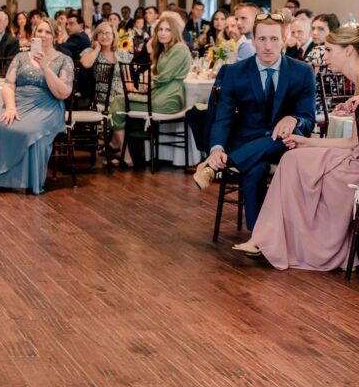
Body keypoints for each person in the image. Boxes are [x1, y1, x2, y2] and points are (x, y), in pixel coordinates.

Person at [231, 27, 359, 266]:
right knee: (293, 156)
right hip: (353, 155)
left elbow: (353, 145)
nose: (325, 57)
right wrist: (305, 141)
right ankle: (269, 237)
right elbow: (353, 142)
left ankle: (281, 239)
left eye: (330, 50)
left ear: (349, 50)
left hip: (354, 168)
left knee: (294, 163)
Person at [193, 15, 317, 232]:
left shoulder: (302, 72)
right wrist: (216, 149)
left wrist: (293, 118)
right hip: (246, 141)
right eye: (261, 39)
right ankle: (258, 235)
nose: (268, 46)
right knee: (256, 168)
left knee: (282, 136)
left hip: (285, 144)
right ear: (253, 40)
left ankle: (215, 167)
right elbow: (223, 117)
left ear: (285, 38)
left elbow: (308, 119)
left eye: (274, 39)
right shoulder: (234, 72)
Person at [0, 18, 74, 193]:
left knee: (30, 130)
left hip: (47, 106)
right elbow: (9, 84)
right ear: (34, 34)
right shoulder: (21, 56)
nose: (43, 35)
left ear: (54, 36)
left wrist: (46, 68)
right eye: (40, 31)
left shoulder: (64, 60)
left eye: (48, 32)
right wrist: (10, 107)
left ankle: (30, 181)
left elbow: (62, 93)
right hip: (19, 103)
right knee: (2, 126)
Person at [110, 16, 192, 166]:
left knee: (118, 103)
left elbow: (164, 77)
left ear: (174, 32)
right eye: (160, 29)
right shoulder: (165, 50)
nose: (163, 33)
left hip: (169, 98)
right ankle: (131, 153)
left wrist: (145, 86)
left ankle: (125, 154)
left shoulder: (179, 48)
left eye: (167, 30)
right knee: (120, 102)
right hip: (160, 95)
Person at [79, 22, 132, 145]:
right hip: (103, 96)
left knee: (135, 109)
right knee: (119, 107)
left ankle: (115, 144)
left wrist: (132, 92)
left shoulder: (121, 53)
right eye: (100, 33)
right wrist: (97, 48)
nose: (104, 36)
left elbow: (128, 80)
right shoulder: (90, 51)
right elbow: (86, 64)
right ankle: (120, 149)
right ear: (96, 36)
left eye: (107, 33)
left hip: (122, 96)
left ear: (114, 36)